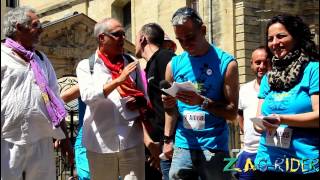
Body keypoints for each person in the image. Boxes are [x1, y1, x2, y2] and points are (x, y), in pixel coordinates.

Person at [162, 7, 239, 180]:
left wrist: (201, 101)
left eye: (190, 37)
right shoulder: (173, 65)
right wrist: (167, 139)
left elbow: (232, 113)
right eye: (180, 40)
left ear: (203, 30)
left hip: (215, 146)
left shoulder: (226, 64)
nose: (185, 44)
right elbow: (171, 111)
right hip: (183, 145)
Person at [1, 6, 73, 180]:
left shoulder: (41, 59)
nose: (41, 29)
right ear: (18, 27)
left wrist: (64, 138)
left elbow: (55, 100)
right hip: (7, 141)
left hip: (42, 140)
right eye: (36, 25)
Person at [76, 18, 146, 180]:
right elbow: (87, 97)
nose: (122, 38)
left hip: (131, 140)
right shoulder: (86, 66)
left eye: (123, 34)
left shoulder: (132, 62)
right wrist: (118, 81)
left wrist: (139, 102)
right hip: (100, 144)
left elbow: (143, 95)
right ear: (102, 38)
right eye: (116, 34)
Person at [253, 14, 319, 179]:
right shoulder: (268, 77)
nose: (275, 43)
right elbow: (258, 122)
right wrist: (262, 124)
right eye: (270, 38)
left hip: (303, 165)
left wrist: (282, 119)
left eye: (281, 36)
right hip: (266, 163)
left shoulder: (313, 70)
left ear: (296, 37)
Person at [135, 23, 176, 180]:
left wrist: (166, 141)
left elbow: (174, 103)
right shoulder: (150, 65)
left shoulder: (165, 58)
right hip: (158, 145)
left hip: (169, 144)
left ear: (142, 39)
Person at [235, 46, 270, 180]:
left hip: (270, 152)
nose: (262, 66)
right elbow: (239, 114)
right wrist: (245, 131)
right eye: (258, 62)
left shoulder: (279, 89)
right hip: (248, 152)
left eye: (265, 62)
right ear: (251, 64)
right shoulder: (244, 89)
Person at [61, 85, 90, 180]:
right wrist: (59, 129)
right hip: (86, 143)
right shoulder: (87, 79)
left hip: (119, 142)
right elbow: (58, 100)